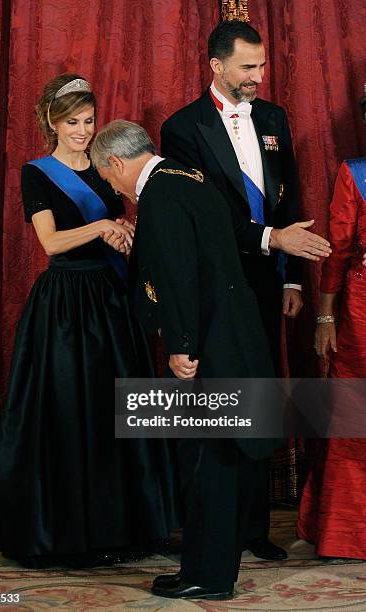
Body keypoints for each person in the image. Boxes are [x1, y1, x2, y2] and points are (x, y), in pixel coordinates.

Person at [0, 74, 177, 566]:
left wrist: (125, 230)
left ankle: (125, 525)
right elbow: (50, 242)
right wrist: (101, 225)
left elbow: (121, 220)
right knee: (70, 411)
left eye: (89, 121)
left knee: (118, 411)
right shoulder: (37, 173)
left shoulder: (106, 164)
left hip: (111, 299)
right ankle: (67, 530)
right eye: (73, 122)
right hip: (65, 304)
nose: (84, 131)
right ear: (52, 121)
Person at [91, 119, 281, 601]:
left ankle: (209, 577)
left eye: (110, 179)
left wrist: (180, 345)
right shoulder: (186, 177)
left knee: (208, 462)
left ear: (116, 161)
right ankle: (207, 567)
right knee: (220, 461)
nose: (115, 189)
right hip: (235, 337)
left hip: (209, 347)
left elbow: (180, 274)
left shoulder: (161, 195)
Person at [160, 19, 327, 561]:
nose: (258, 76)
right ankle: (216, 529)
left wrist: (292, 273)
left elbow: (290, 194)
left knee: (257, 397)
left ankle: (255, 527)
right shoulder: (182, 129)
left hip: (266, 279)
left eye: (262, 66)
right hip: (215, 286)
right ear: (216, 66)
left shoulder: (274, 116)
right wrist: (269, 238)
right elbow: (202, 220)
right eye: (247, 67)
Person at [297, 96, 366, 559]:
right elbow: (337, 251)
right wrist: (325, 316)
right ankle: (349, 532)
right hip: (362, 314)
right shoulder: (355, 173)